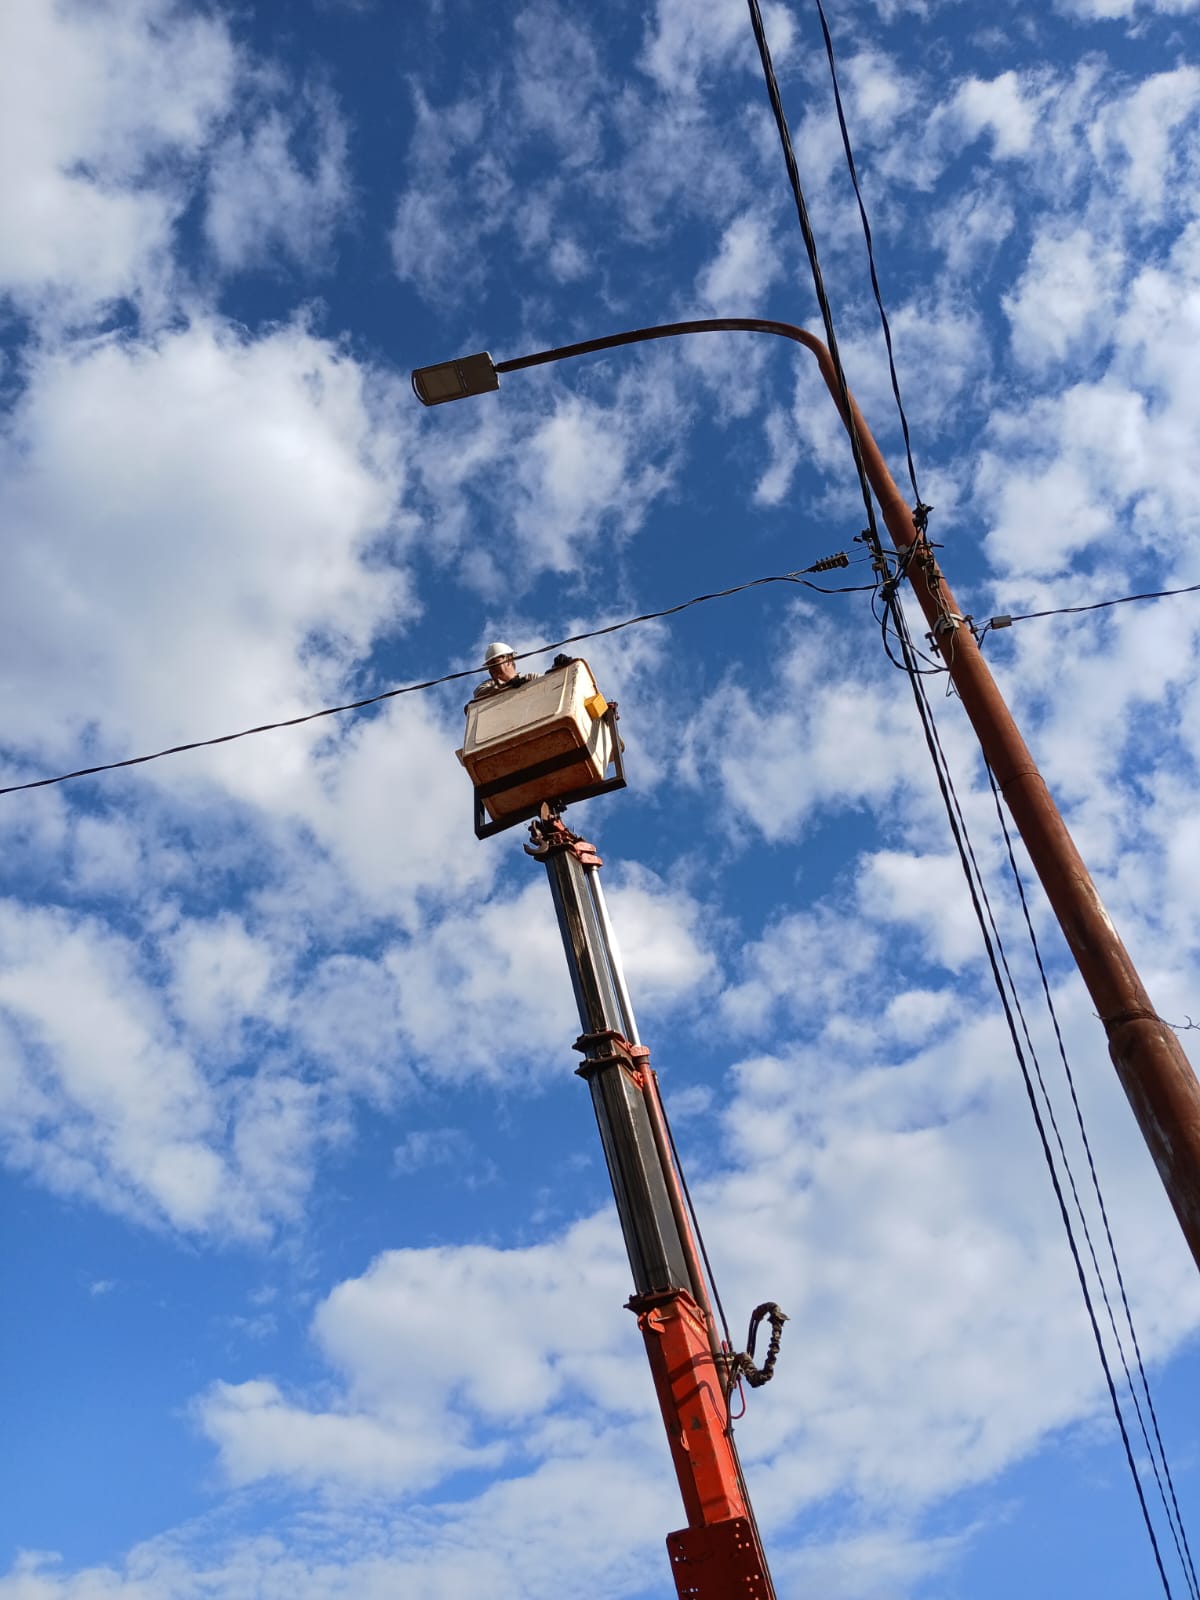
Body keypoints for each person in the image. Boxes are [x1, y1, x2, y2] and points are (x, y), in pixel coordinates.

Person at [472, 641, 540, 700]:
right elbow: (478, 695)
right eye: (489, 666)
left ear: (509, 659)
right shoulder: (489, 685)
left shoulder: (531, 677)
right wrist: (506, 685)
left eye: (495, 662)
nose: (492, 668)